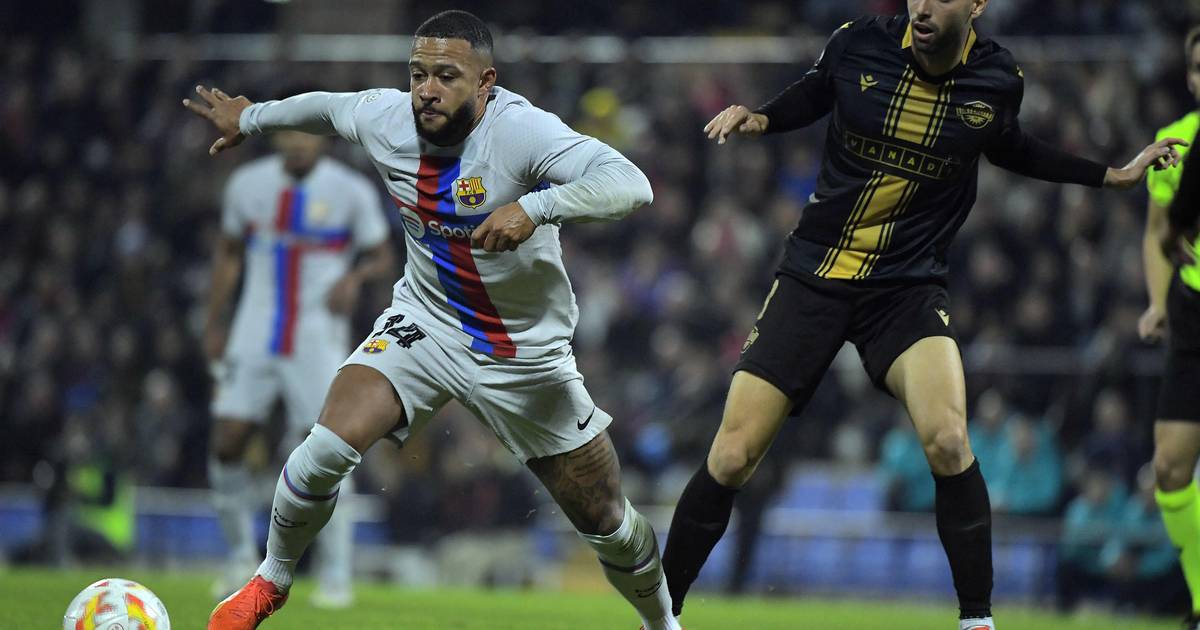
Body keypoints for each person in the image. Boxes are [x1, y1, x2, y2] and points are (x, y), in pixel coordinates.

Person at [659, 2, 1184, 629]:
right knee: (732, 455)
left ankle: (977, 622)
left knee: (949, 439)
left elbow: (1012, 147)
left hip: (905, 289)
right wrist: (761, 116)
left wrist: (1112, 176)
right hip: (814, 277)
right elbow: (815, 92)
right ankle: (659, 615)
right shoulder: (858, 43)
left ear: (977, 4)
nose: (923, 5)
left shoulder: (997, 78)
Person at [184, 10, 678, 630]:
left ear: (486, 82)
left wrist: (537, 207)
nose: (427, 90)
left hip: (521, 353)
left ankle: (663, 623)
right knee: (325, 446)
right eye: (418, 74)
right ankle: (270, 581)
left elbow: (631, 183)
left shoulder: (521, 131)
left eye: (447, 76)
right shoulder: (386, 118)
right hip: (425, 323)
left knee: (606, 520)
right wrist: (251, 118)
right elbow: (326, 109)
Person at [204, 90, 395, 606]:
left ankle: (337, 575)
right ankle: (239, 559)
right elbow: (228, 254)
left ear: (323, 138)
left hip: (317, 337)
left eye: (305, 133)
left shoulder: (351, 191)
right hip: (254, 330)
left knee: (329, 448)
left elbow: (382, 255)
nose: (296, 142)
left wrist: (356, 277)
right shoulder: (247, 185)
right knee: (227, 441)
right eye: (287, 133)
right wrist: (215, 320)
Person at [1141, 25, 1200, 630]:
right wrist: (1157, 302)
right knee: (1169, 468)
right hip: (1192, 314)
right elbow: (1157, 233)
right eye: (1199, 67)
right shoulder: (1175, 143)